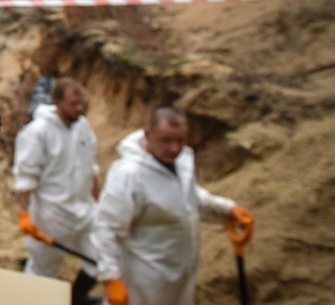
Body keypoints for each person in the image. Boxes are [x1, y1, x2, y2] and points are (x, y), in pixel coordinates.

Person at [91, 108, 253, 305]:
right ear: (148, 135)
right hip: (144, 282)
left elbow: (190, 198)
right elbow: (106, 228)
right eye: (166, 140)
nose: (174, 148)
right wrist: (110, 277)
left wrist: (228, 210)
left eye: (180, 140)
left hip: (179, 277)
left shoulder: (182, 161)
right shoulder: (129, 175)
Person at [14, 77, 101, 305]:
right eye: (73, 104)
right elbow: (26, 176)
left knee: (99, 257)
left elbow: (91, 168)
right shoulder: (38, 132)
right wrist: (24, 214)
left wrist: (97, 201)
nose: (79, 108)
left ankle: (76, 298)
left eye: (81, 103)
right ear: (57, 102)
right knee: (43, 271)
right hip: (50, 216)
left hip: (84, 212)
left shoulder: (83, 127)